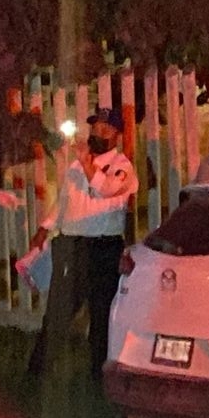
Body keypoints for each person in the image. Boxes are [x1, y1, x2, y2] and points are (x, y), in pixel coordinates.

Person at [27, 107, 138, 379]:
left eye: (105, 129)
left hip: (102, 249)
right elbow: (65, 202)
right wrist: (45, 228)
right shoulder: (77, 166)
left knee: (101, 316)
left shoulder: (123, 167)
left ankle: (99, 376)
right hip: (71, 246)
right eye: (95, 127)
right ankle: (37, 373)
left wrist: (89, 165)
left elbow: (106, 189)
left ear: (116, 134)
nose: (97, 133)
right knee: (57, 312)